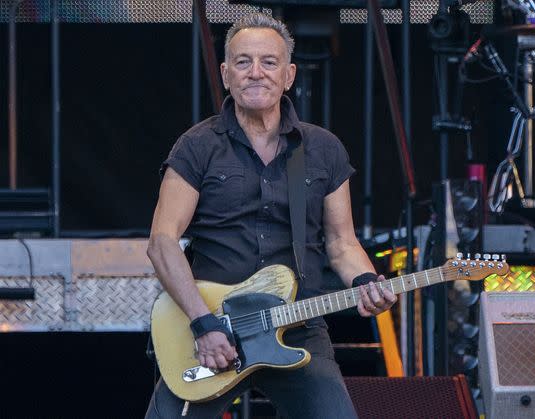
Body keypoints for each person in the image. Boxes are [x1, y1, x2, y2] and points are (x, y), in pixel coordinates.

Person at [145, 12, 396, 419]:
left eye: (269, 62)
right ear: (226, 74)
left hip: (298, 325)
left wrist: (366, 281)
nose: (255, 73)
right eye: (243, 62)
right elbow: (162, 242)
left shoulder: (323, 149)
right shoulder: (197, 146)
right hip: (211, 327)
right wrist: (203, 323)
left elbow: (341, 243)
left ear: (289, 74)